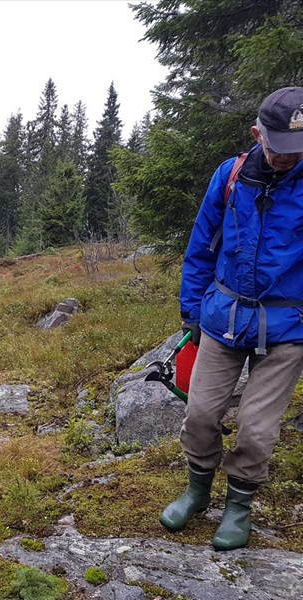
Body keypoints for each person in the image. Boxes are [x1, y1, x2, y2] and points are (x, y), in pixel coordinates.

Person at [161, 86, 303, 550]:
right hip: (222, 317)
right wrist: (191, 314)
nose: (287, 158)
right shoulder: (230, 175)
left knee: (257, 430)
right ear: (257, 133)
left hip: (289, 328)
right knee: (200, 414)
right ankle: (197, 492)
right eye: (279, 147)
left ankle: (238, 507)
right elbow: (201, 247)